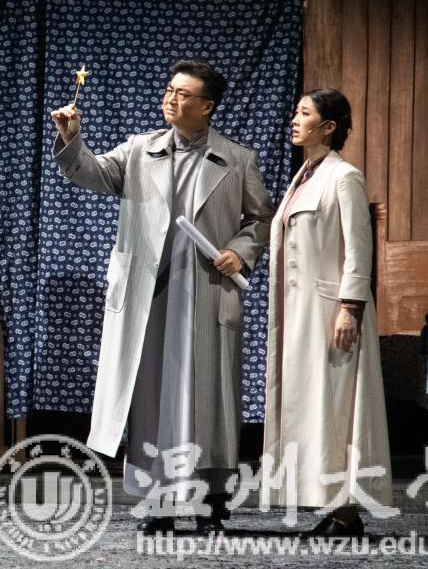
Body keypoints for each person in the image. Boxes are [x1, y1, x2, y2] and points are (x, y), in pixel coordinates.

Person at [51, 60, 273, 534]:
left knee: (207, 397)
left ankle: (212, 499)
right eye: (170, 90)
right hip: (150, 293)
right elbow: (91, 172)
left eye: (183, 94)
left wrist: (239, 251)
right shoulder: (140, 149)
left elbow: (260, 219)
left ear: (207, 106)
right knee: (153, 395)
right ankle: (159, 500)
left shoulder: (236, 159)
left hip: (205, 290)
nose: (171, 98)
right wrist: (72, 138)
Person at [261, 89, 392, 536]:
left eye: (304, 113)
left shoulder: (344, 177)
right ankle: (333, 504)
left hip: (331, 311)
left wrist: (349, 307)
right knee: (316, 409)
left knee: (340, 408)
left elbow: (359, 248)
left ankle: (349, 510)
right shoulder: (304, 175)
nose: (294, 120)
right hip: (300, 314)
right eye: (296, 112)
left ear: (328, 127)